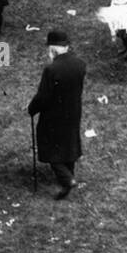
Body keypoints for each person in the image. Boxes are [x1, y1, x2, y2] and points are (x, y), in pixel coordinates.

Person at [28, 30, 88, 199]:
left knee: (50, 147)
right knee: (69, 141)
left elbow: (43, 96)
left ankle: (67, 179)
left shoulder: (51, 69)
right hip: (73, 111)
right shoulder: (80, 64)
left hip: (53, 115)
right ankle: (71, 172)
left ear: (52, 49)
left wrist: (32, 108)